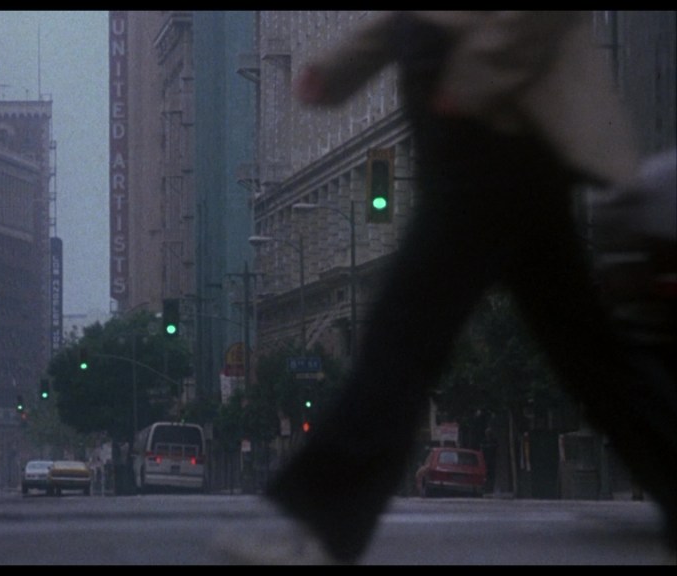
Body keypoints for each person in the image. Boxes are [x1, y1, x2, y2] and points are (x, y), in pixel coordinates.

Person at [263, 11, 676, 564]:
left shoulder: (477, 91)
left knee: (401, 336)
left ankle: (322, 521)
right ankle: (322, 522)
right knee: (590, 352)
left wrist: (472, 81)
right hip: (474, 127)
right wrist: (342, 67)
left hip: (492, 129)